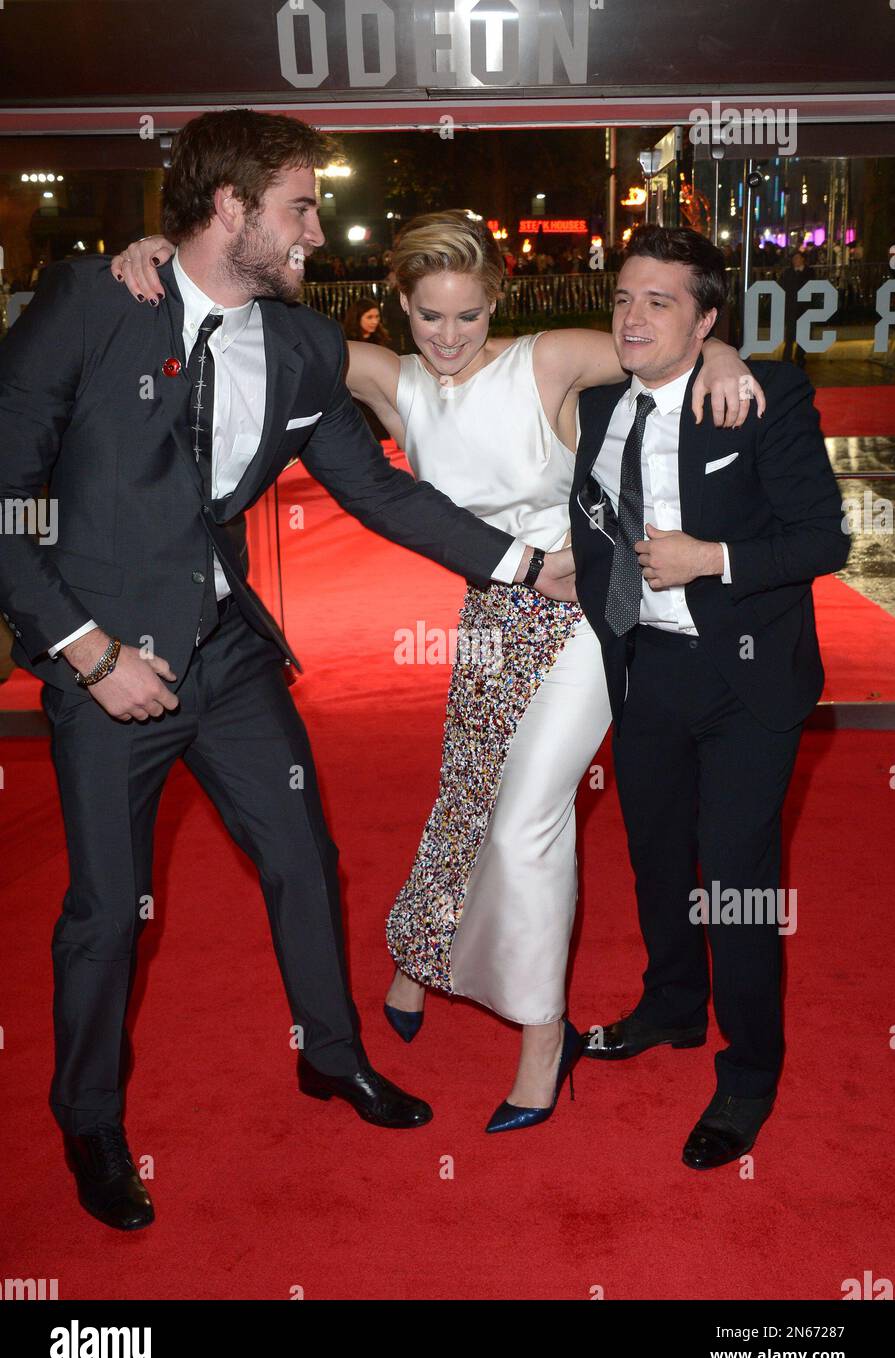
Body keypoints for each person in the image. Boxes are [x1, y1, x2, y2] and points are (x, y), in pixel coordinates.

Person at [0, 111, 581, 1234]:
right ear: (231, 209)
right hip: (106, 667)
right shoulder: (97, 302)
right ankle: (89, 1119)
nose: (319, 227)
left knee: (306, 861)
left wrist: (522, 565)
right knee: (106, 911)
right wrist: (83, 651)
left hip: (226, 657)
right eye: (301, 206)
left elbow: (380, 490)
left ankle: (332, 1055)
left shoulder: (305, 347)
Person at [115, 209, 760, 1135]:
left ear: (493, 303)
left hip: (585, 611)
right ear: (400, 311)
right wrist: (149, 258)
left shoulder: (547, 358)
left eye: (465, 316)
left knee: (528, 816)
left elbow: (662, 337)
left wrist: (728, 354)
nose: (449, 337)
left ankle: (543, 1040)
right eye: (428, 318)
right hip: (491, 614)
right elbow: (231, 316)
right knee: (464, 802)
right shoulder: (389, 379)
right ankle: (417, 966)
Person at [571, 224, 850, 1168]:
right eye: (622, 297)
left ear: (705, 321)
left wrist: (711, 560)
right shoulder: (602, 402)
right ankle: (671, 1008)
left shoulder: (757, 397)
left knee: (734, 883)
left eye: (659, 301)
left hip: (744, 677)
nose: (632, 316)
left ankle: (749, 1070)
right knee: (655, 859)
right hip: (643, 670)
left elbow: (823, 542)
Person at [342, 297, 391, 440]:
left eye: (376, 316)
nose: (374, 321)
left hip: (376, 395)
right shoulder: (346, 340)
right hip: (353, 395)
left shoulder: (381, 340)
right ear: (357, 318)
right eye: (369, 317)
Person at [779, 250, 812, 368]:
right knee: (790, 335)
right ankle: (787, 359)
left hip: (804, 309)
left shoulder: (809, 272)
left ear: (802, 259)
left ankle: (800, 357)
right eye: (794, 258)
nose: (795, 261)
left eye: (797, 258)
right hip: (791, 309)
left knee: (803, 335)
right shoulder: (788, 273)